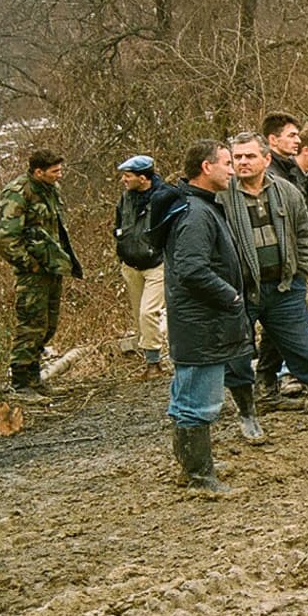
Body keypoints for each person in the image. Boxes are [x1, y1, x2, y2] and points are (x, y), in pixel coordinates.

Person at [220, 133, 308, 437]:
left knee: (305, 348)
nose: (242, 162)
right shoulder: (222, 195)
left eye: (249, 156)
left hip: (284, 287)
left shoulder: (287, 192)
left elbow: (304, 232)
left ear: (266, 159)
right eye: (237, 157)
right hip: (241, 291)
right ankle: (248, 415)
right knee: (238, 353)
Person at [164, 141, 253, 496]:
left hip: (203, 322)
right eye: (227, 163)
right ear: (206, 167)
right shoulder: (196, 214)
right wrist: (230, 295)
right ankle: (200, 476)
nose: (233, 170)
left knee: (192, 396)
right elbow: (191, 269)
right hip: (201, 324)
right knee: (197, 400)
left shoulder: (201, 206)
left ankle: (194, 465)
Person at [0, 148, 83, 398]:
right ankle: (21, 381)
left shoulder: (51, 190)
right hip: (33, 273)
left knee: (48, 325)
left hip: (52, 267)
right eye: (54, 171)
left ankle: (34, 378)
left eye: (60, 170)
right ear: (38, 171)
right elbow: (3, 238)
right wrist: (28, 264)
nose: (59, 175)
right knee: (31, 325)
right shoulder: (18, 192)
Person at [113, 154, 167, 379]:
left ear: (143, 178)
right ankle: (150, 362)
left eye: (128, 176)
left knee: (148, 313)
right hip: (131, 265)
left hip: (157, 264)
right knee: (139, 316)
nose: (124, 180)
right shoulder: (125, 198)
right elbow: (118, 225)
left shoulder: (164, 197)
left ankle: (154, 363)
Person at [263, 112, 306, 194]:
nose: (298, 141)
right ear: (273, 139)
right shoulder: (267, 174)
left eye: (297, 135)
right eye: (291, 136)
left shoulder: (291, 167)